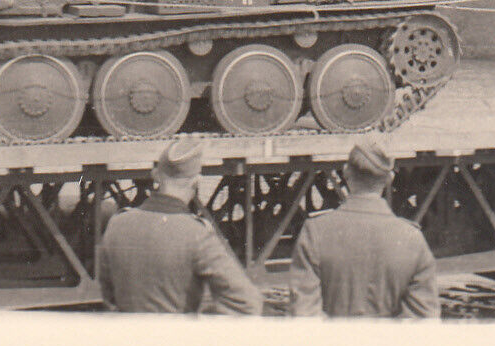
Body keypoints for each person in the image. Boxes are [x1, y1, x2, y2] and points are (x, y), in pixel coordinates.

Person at [97, 137, 262, 315]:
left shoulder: (118, 224)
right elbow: (248, 302)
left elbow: (109, 296)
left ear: (155, 176)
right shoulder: (196, 234)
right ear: (196, 182)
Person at [289, 135, 440, 318]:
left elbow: (303, 314)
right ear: (389, 179)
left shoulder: (315, 232)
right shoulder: (412, 239)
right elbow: (423, 320)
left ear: (346, 172)